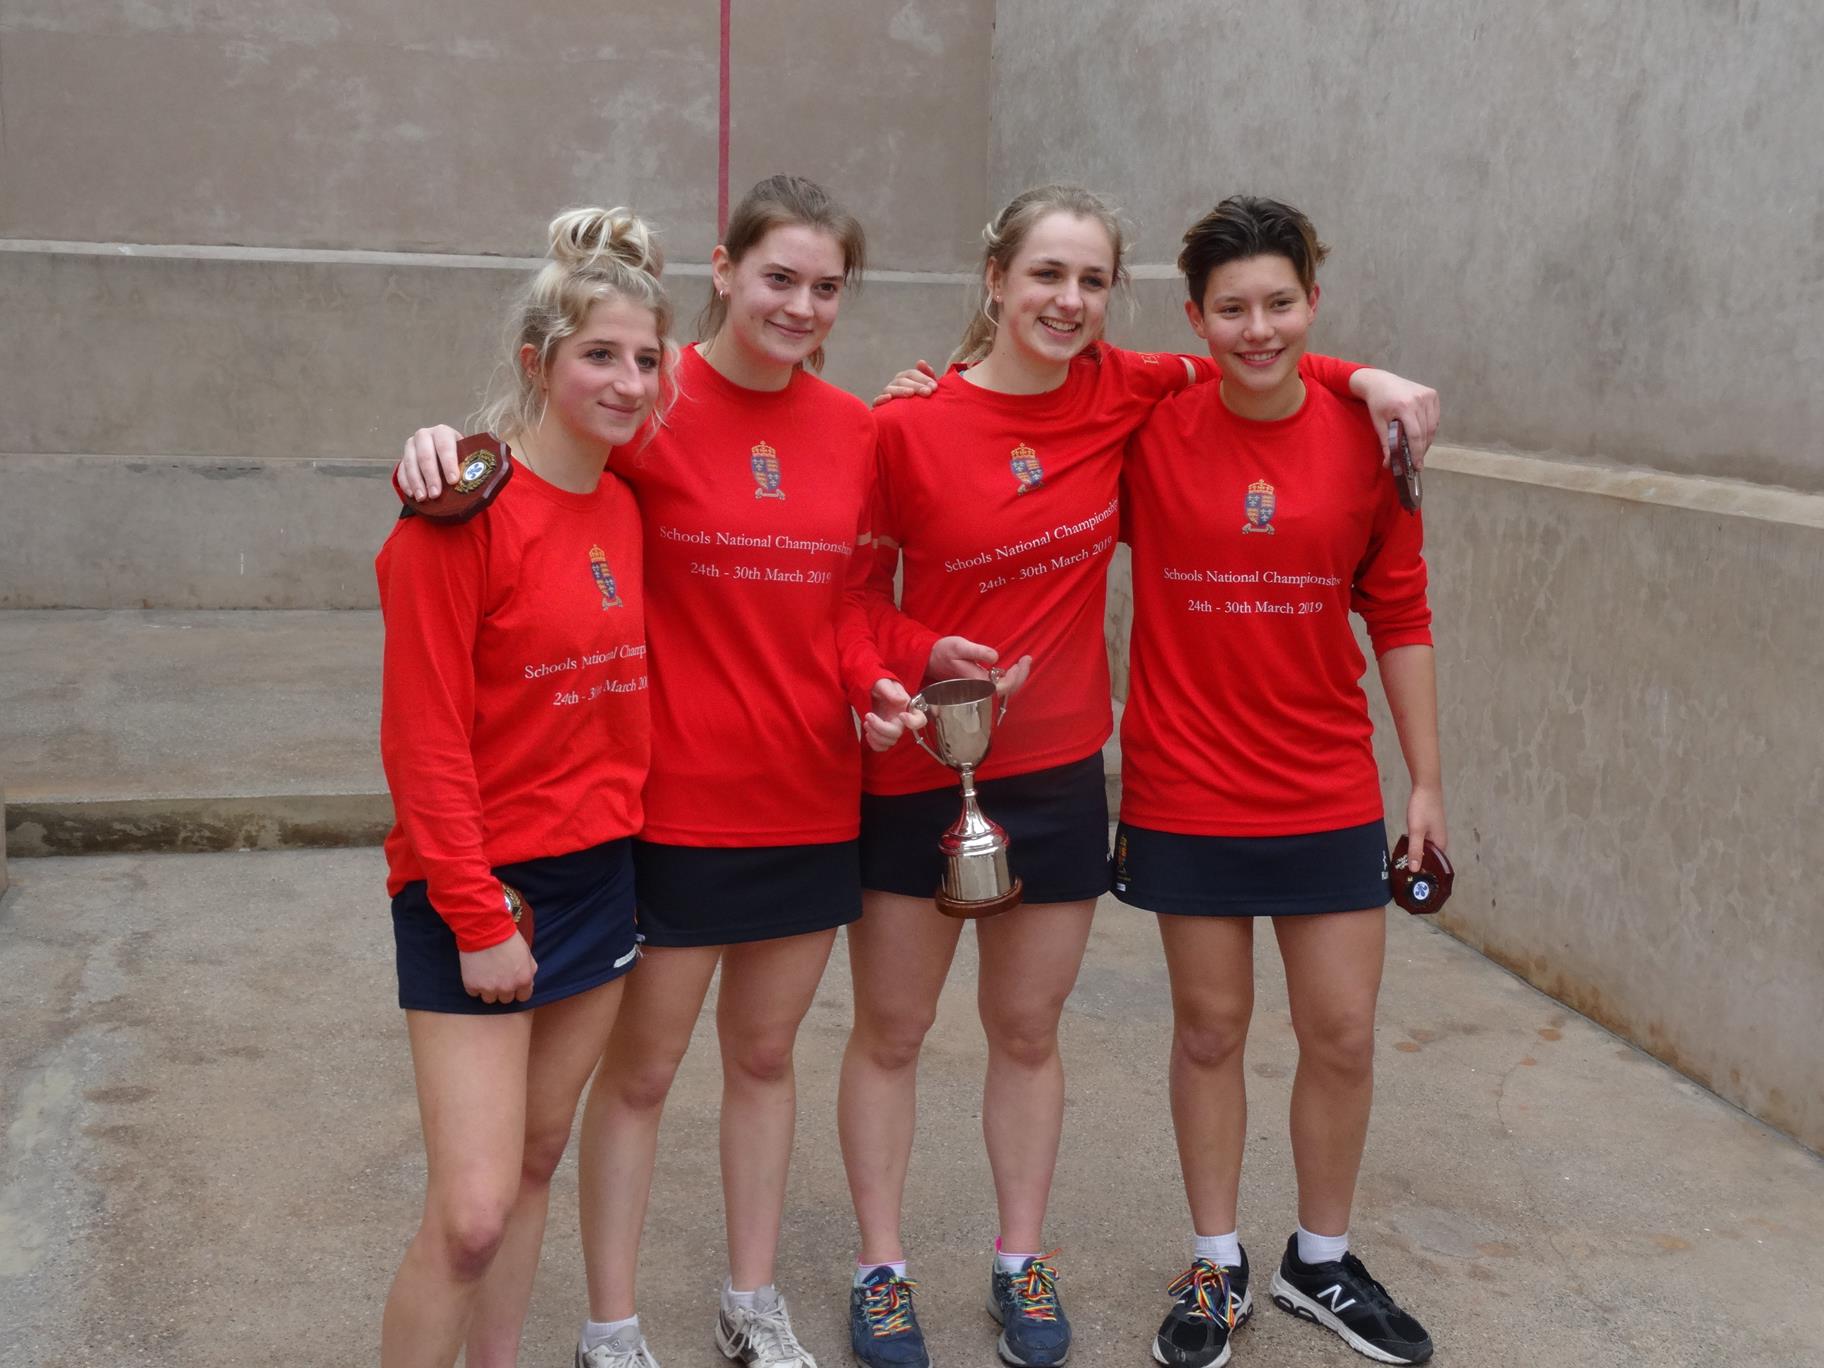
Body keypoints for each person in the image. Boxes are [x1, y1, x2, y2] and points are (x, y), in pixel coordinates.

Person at [844, 184, 1438, 1368]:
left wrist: (1367, 378)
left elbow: (1279, 384)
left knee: (1301, 1033)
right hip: (1057, 778)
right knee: (938, 1031)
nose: (1067, 300)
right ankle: (910, 1273)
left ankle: (1272, 1264)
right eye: (1046, 276)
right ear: (996, 281)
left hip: (1176, 777)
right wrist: (903, 669)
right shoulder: (969, 422)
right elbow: (857, 587)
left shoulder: (1189, 403)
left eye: (1091, 280)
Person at [393, 176, 921, 1368]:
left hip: (802, 800)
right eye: (776, 276)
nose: (799, 304)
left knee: (764, 1059)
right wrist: (435, 454)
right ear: (723, 274)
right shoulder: (654, 416)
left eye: (825, 286)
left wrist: (887, 672)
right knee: (629, 1085)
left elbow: (844, 601)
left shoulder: (858, 430)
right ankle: (611, 1327)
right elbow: (524, 471)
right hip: (662, 814)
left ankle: (750, 1300)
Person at [1116, 195, 1444, 1368]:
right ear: (1195, 316)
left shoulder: (1373, 440)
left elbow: (1398, 609)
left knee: (1343, 1033)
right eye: (1232, 308)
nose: (1259, 329)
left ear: (1315, 296)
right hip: (1186, 783)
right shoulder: (1149, 419)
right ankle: (1216, 1261)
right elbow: (1036, 376)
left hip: (1325, 784)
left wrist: (1424, 787)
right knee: (1210, 1031)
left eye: (1281, 303)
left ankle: (1319, 1261)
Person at [376, 207, 670, 1368]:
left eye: (647, 358)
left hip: (600, 879)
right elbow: (425, 745)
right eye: (601, 353)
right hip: (476, 894)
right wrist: (479, 914)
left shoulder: (627, 503)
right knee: (472, 1215)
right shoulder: (455, 516)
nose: (630, 379)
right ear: (535, 363)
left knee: (539, 1161)